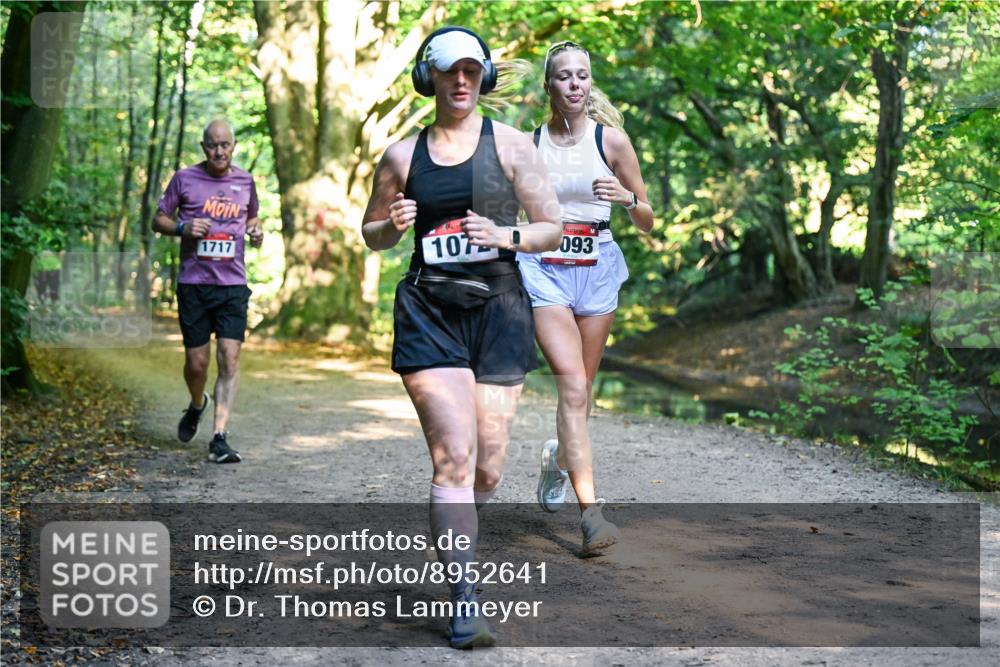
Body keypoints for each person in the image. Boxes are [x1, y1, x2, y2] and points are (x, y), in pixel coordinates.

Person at [362, 26, 560, 649]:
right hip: (429, 310)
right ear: (430, 78)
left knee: (489, 467)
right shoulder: (401, 156)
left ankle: (463, 538)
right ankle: (464, 596)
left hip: (500, 309)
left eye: (472, 70)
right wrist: (390, 227)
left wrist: (506, 237)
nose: (461, 81)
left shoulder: (511, 148)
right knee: (453, 455)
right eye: (449, 71)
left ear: (485, 77)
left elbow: (552, 228)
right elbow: (369, 232)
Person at [520, 41, 654, 554]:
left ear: (590, 82)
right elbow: (509, 210)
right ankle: (592, 515)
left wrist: (629, 199)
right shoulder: (530, 143)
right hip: (545, 271)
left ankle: (558, 456)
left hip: (596, 269)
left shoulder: (612, 141)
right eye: (563, 77)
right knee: (572, 385)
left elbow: (647, 218)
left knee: (582, 391)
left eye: (582, 75)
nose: (574, 84)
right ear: (549, 86)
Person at [153, 119, 264, 464]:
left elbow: (252, 219)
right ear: (203, 147)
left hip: (232, 284)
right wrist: (183, 228)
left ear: (233, 146)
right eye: (212, 145)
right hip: (194, 285)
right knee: (197, 363)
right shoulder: (185, 179)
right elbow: (159, 219)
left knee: (229, 358)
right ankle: (197, 403)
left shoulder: (245, 180)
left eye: (225, 145)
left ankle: (219, 437)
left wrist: (257, 232)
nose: (219, 151)